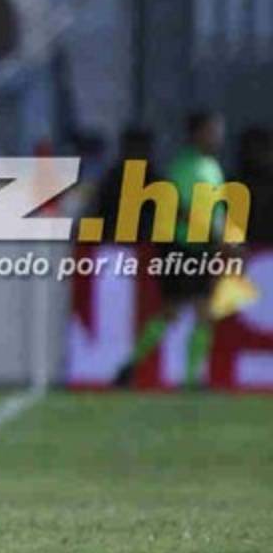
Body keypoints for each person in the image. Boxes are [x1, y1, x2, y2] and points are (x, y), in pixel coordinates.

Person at [114, 112, 226, 388]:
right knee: (176, 311)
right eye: (212, 131)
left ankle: (186, 378)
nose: (217, 137)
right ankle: (137, 367)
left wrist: (223, 237)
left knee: (200, 311)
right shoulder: (184, 166)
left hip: (203, 248)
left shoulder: (212, 167)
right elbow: (179, 206)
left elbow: (216, 209)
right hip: (183, 246)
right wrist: (211, 234)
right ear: (197, 133)